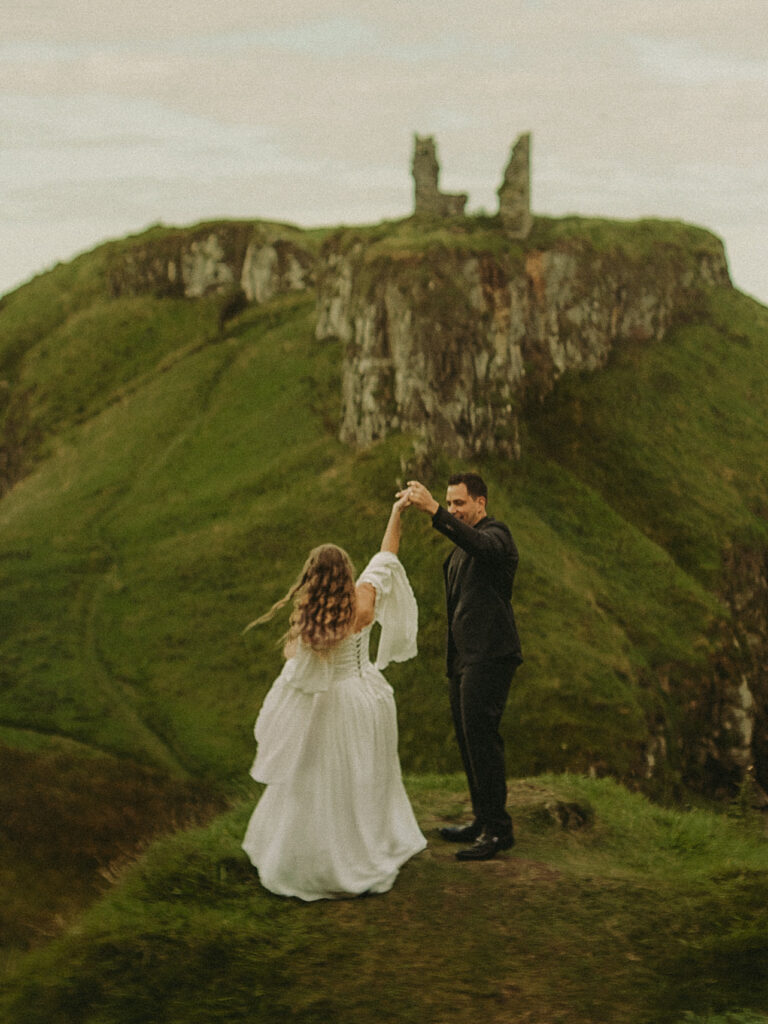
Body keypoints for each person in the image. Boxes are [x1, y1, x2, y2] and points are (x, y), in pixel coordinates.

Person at [241, 495, 426, 900]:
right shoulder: (365, 599)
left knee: (323, 784)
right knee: (368, 778)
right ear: (347, 572)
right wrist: (396, 513)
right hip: (372, 700)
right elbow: (387, 556)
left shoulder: (317, 631)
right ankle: (372, 842)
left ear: (312, 579)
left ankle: (330, 859)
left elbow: (303, 682)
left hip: (337, 706)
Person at [400, 472, 522, 861]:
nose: (454, 510)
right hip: (464, 660)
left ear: (480, 503)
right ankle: (481, 820)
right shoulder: (458, 553)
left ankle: (498, 831)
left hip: (490, 656)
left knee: (484, 741)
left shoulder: (497, 535)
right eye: (449, 504)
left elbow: (482, 547)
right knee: (470, 743)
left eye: (459, 504)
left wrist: (434, 511)